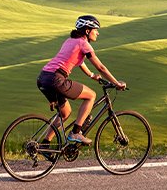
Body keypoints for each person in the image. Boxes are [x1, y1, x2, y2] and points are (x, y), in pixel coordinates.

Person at [37, 15, 126, 144]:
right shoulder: (84, 44)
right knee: (91, 95)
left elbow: (79, 62)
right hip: (56, 79)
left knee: (65, 113)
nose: (98, 33)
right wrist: (116, 83)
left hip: (43, 78)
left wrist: (91, 75)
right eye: (96, 29)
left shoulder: (70, 41)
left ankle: (45, 144)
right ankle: (76, 133)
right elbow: (101, 67)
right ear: (87, 31)